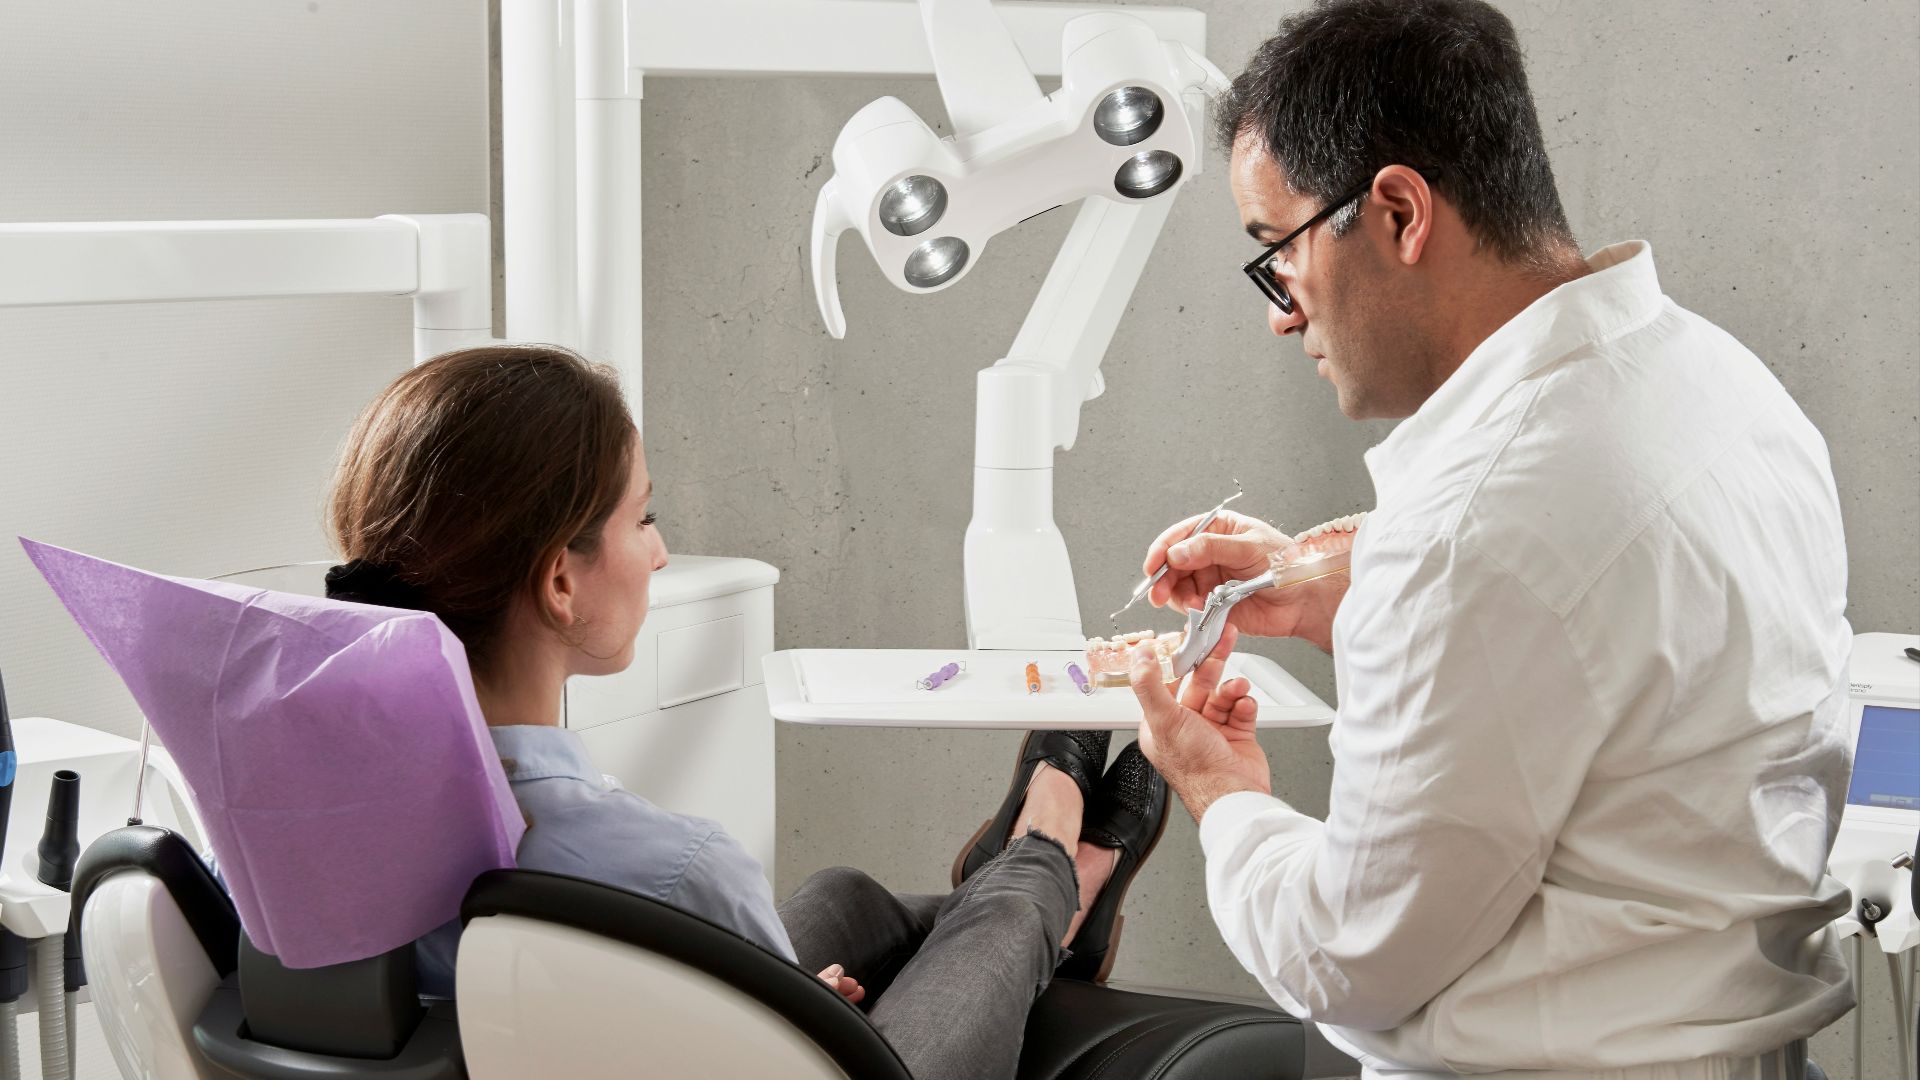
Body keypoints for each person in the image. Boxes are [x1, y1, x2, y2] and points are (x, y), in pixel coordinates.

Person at [1123, 1, 1856, 1077]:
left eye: (1276, 252)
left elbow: (1346, 954)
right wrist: (1349, 582)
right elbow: (1600, 619)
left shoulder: (1475, 533)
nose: (1282, 312)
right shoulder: (1726, 387)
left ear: (1399, 214)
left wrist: (1219, 789)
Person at [320, 344, 1210, 1080]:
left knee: (842, 898)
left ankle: (1035, 879)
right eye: (645, 519)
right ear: (560, 579)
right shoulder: (673, 869)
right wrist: (793, 1025)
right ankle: (1053, 866)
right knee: (1006, 913)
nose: (661, 555)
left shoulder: (304, 825)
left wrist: (776, 1004)